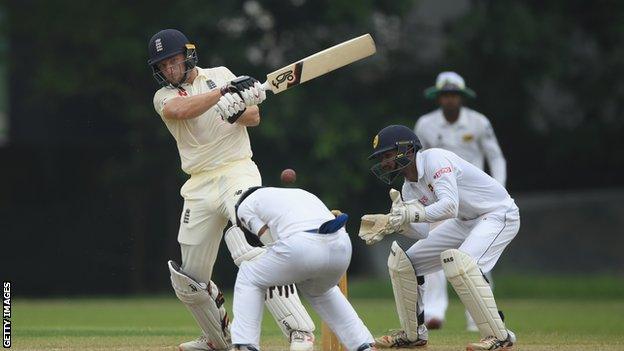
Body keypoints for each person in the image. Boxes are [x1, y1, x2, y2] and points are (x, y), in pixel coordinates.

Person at [148, 29, 315, 351]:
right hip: (198, 183)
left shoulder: (220, 74)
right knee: (189, 279)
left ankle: (300, 331)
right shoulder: (163, 97)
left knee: (250, 244)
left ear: (187, 54)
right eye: (163, 65)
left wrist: (237, 108)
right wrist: (223, 94)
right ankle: (217, 340)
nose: (169, 69)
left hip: (236, 169)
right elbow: (181, 111)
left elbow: (254, 116)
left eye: (173, 61)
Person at [359, 125, 518, 350]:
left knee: (462, 265)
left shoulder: (436, 159)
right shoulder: (409, 188)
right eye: (381, 158)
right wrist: (396, 224)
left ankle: (500, 337)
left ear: (407, 149)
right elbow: (423, 231)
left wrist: (411, 213)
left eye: (387, 155)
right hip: (464, 221)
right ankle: (413, 335)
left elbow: (450, 205)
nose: (384, 163)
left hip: (497, 213)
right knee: (405, 264)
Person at [230, 186, 376, 351]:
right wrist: (282, 268)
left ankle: (245, 344)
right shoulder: (299, 193)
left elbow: (267, 237)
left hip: (303, 246)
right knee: (322, 291)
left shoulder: (244, 206)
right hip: (341, 245)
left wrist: (280, 272)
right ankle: (363, 345)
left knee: (248, 275)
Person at [415, 72, 507, 331]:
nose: (450, 100)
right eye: (445, 95)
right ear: (438, 98)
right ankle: (434, 310)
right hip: (440, 197)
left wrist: (498, 188)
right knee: (431, 251)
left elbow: (496, 157)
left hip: (474, 200)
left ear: (461, 97)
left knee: (476, 257)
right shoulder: (425, 124)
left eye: (454, 95)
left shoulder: (479, 122)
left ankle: (477, 317)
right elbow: (418, 161)